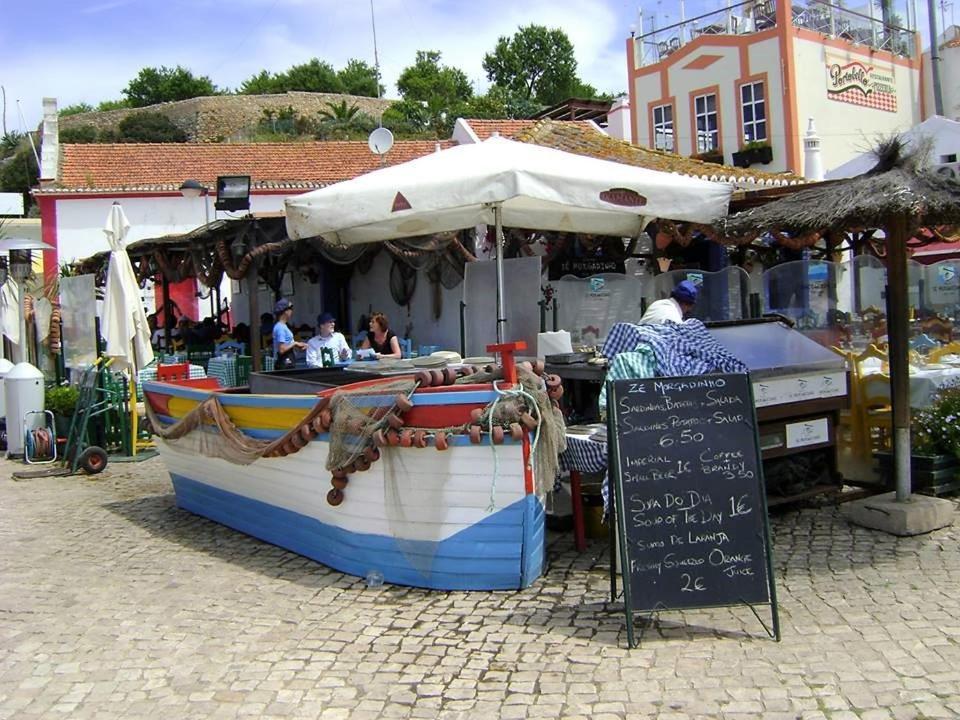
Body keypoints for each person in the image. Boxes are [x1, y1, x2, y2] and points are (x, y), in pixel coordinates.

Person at [272, 299, 307, 369]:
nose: (292, 311)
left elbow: (287, 344)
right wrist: (295, 343)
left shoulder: (283, 326)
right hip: (284, 363)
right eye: (291, 309)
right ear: (285, 311)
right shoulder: (280, 328)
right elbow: (281, 349)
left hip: (288, 360)